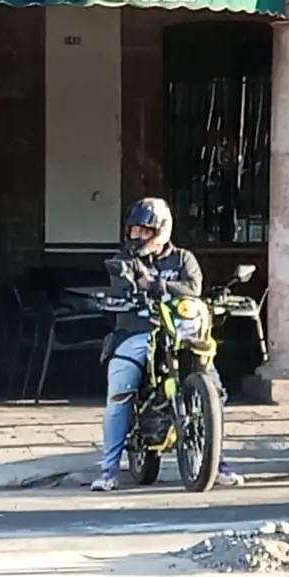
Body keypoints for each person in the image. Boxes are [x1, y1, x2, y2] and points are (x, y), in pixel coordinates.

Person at [91, 197, 244, 492]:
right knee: (120, 392)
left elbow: (193, 289)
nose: (136, 236)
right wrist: (136, 287)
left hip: (181, 334)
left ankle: (218, 461)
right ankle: (109, 469)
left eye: (143, 230)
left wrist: (156, 285)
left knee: (214, 390)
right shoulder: (125, 260)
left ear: (161, 230)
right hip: (137, 333)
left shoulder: (183, 258)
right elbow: (124, 286)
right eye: (133, 230)